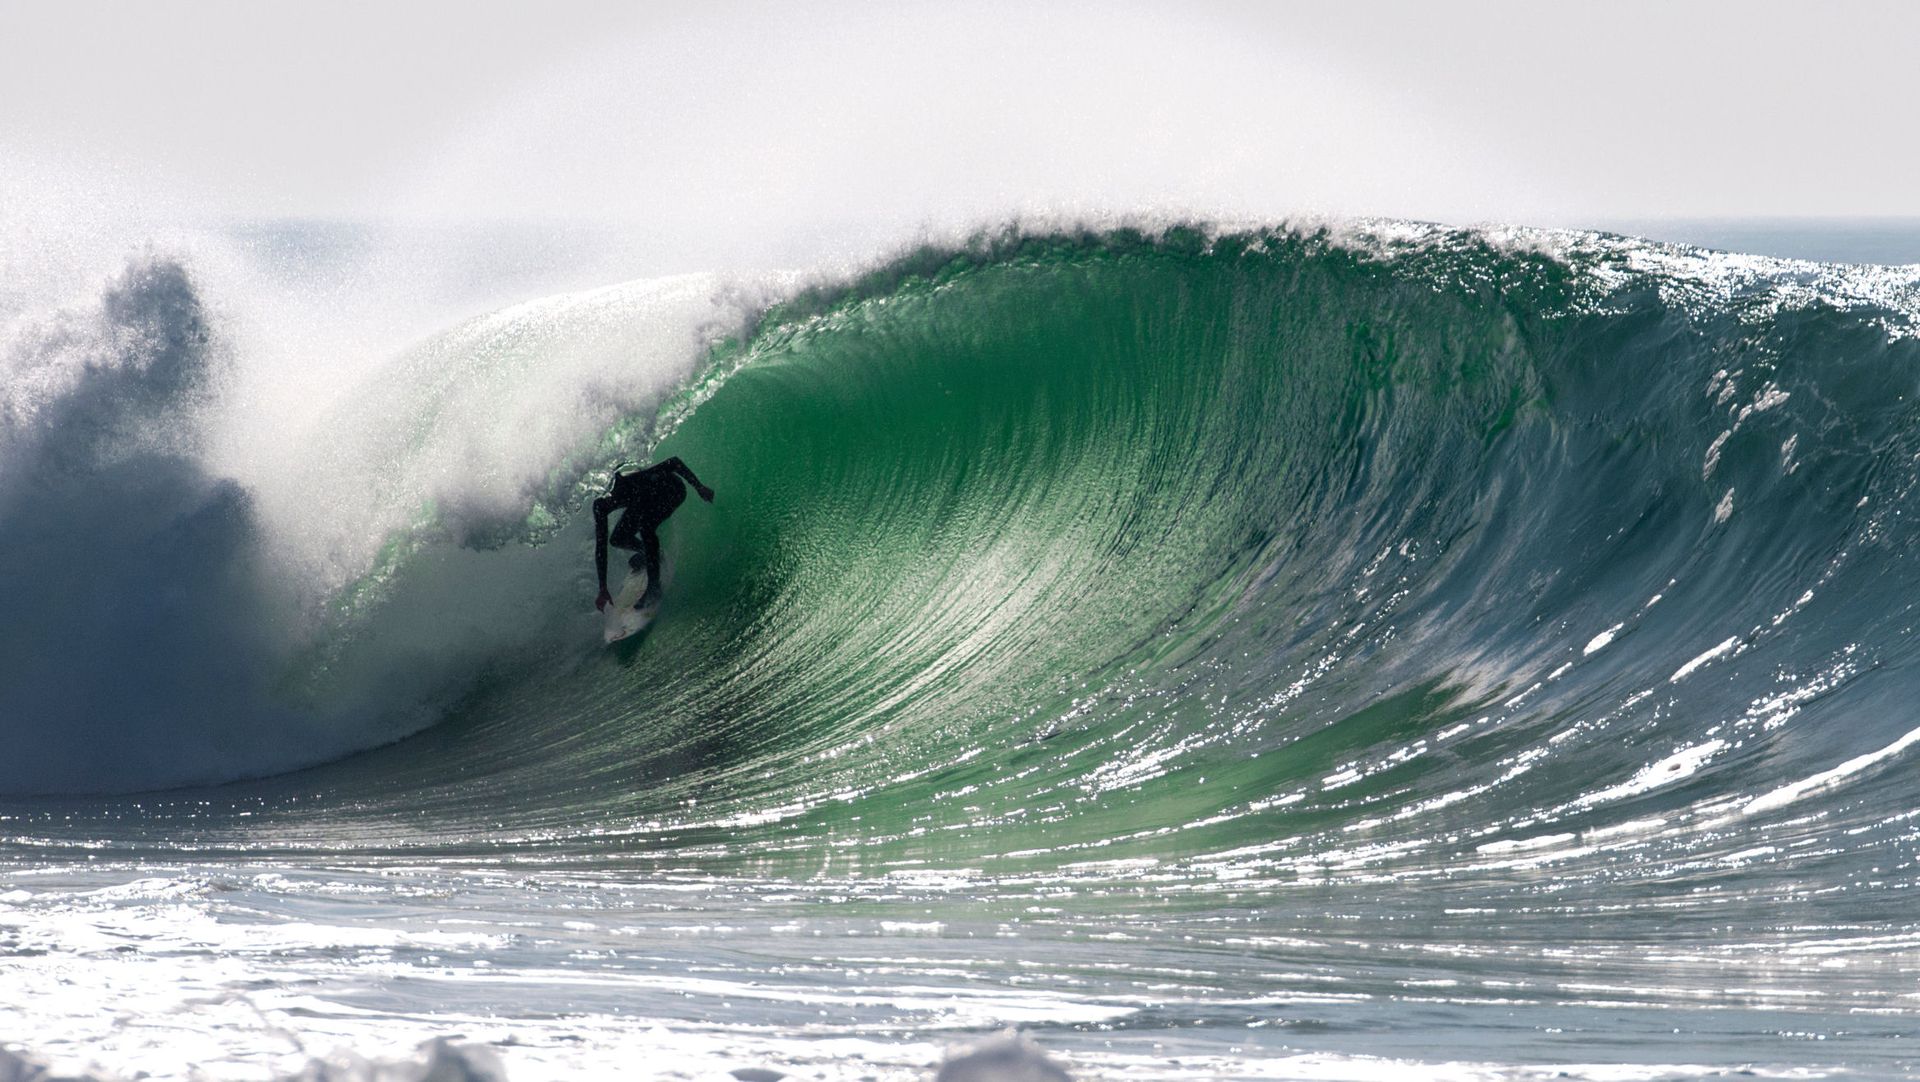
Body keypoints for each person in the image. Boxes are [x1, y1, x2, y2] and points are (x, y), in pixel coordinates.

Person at [594, 457, 713, 611]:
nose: (612, 496)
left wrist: (699, 487)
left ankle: (654, 587)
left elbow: (674, 462)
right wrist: (602, 588)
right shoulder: (600, 505)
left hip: (672, 490)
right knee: (618, 538)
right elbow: (601, 546)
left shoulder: (632, 480)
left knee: (646, 527)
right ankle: (650, 554)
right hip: (643, 501)